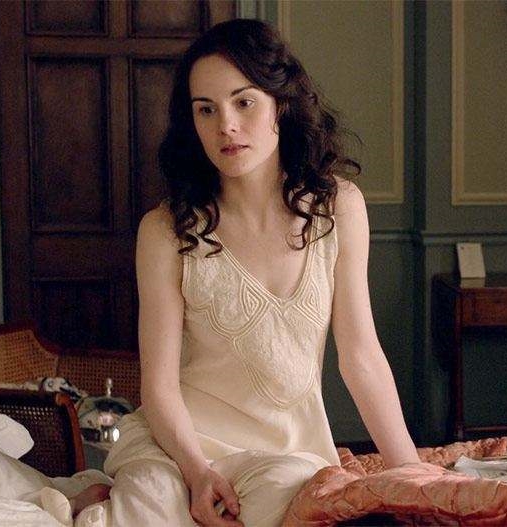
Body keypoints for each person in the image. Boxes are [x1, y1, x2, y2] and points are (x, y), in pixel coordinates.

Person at [83, 18, 420, 527]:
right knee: (154, 506)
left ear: (280, 104)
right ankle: (98, 502)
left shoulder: (338, 209)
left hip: (284, 457)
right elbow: (159, 388)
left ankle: (101, 500)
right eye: (206, 109)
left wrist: (412, 475)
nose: (226, 125)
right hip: (179, 445)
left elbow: (361, 357)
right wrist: (197, 473)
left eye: (244, 102)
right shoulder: (165, 230)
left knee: (282, 501)